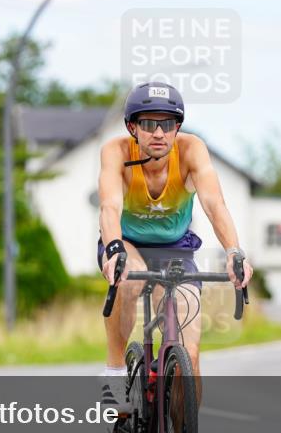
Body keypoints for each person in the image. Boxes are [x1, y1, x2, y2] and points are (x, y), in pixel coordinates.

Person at [97, 82, 253, 413]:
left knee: (190, 356)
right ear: (132, 127)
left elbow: (215, 204)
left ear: (177, 127)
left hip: (176, 249)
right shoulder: (116, 151)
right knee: (130, 280)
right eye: (148, 123)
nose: (159, 133)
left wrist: (234, 252)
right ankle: (115, 370)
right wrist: (114, 250)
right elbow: (109, 207)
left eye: (167, 124)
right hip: (126, 243)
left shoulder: (192, 149)